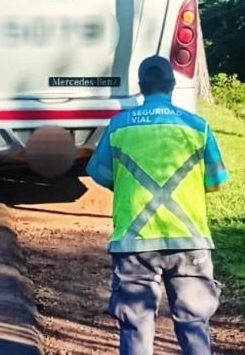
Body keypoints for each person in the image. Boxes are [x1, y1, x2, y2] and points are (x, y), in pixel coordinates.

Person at [86, 55, 229, 355]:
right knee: (194, 322)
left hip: (134, 242)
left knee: (135, 324)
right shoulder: (198, 127)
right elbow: (216, 182)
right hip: (189, 240)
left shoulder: (118, 127)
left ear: (141, 87)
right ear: (172, 85)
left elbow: (101, 175)